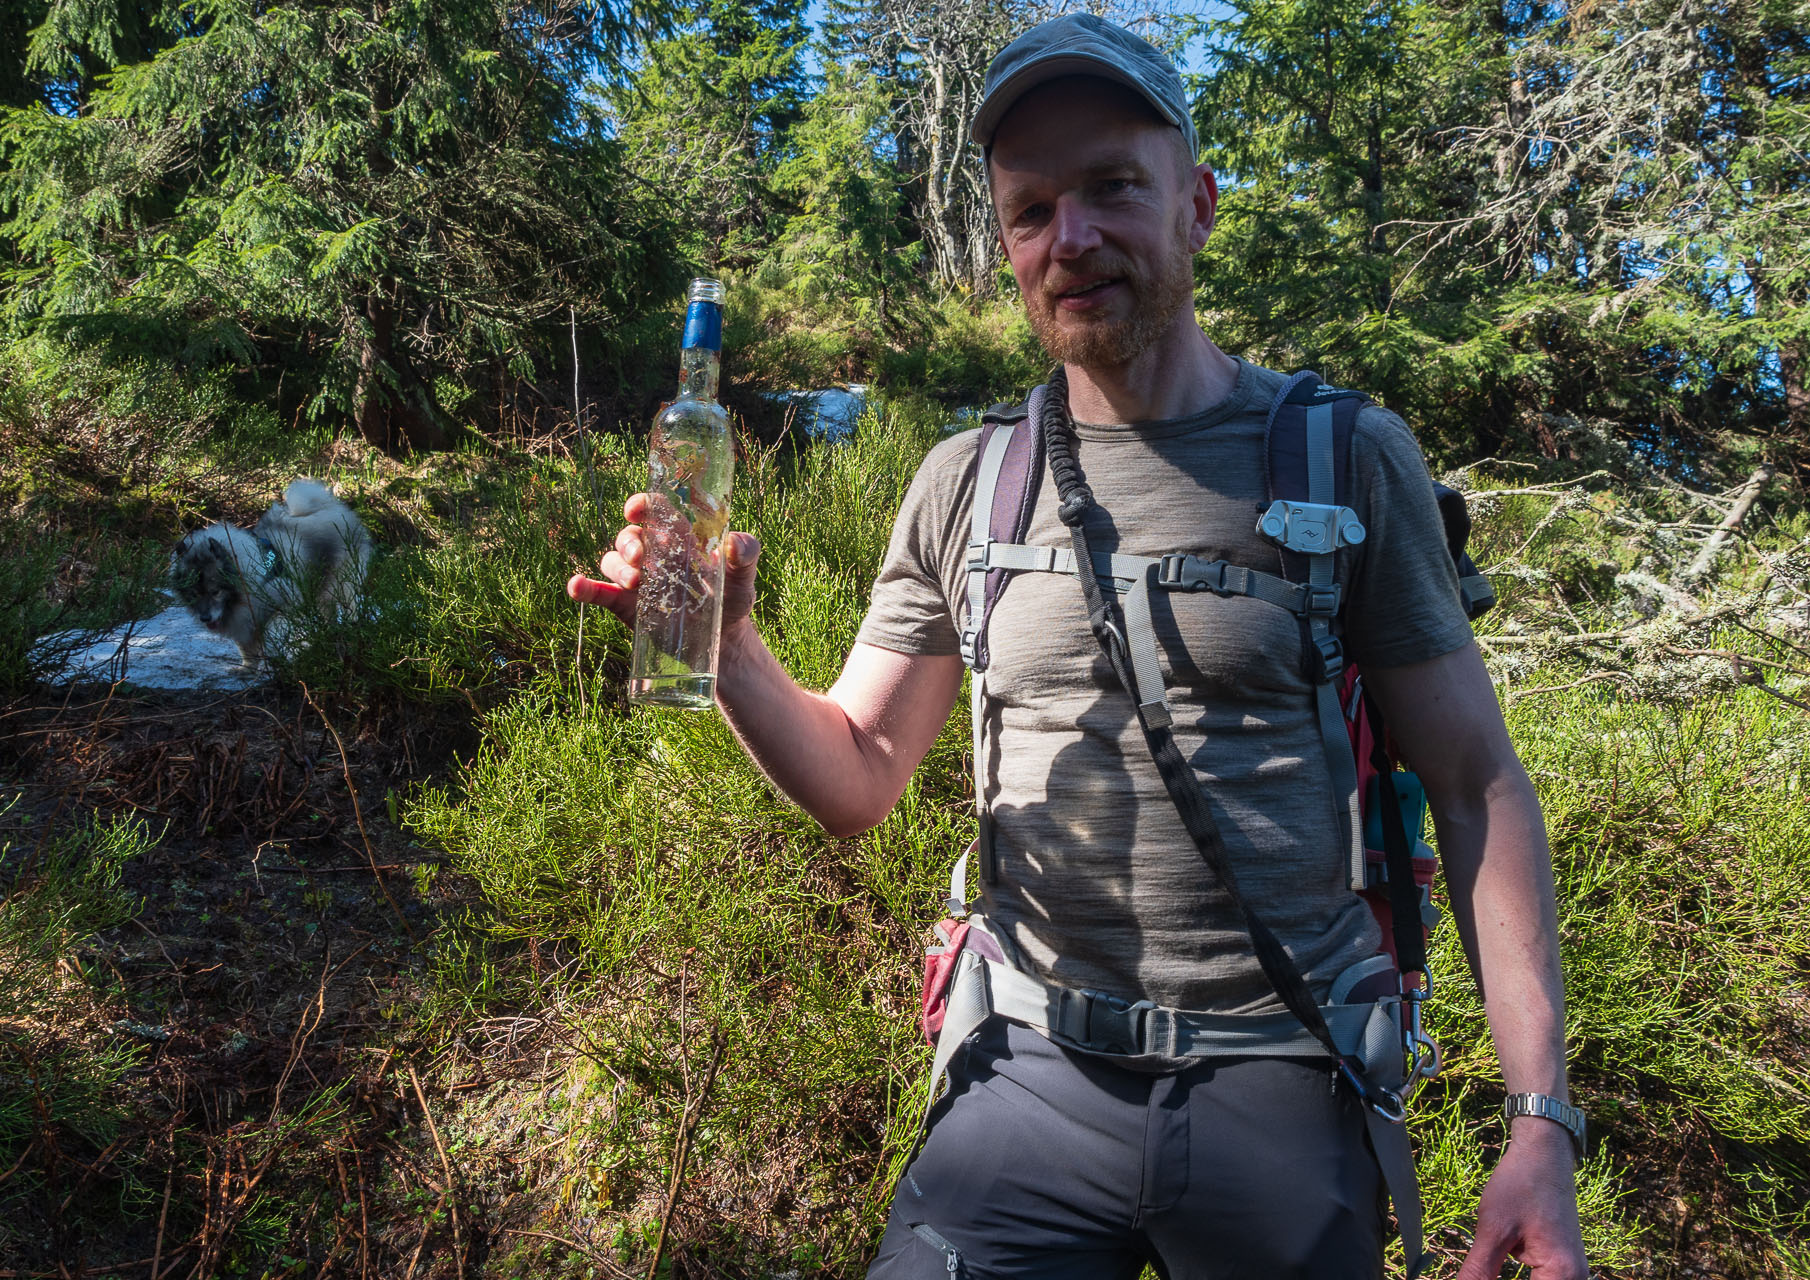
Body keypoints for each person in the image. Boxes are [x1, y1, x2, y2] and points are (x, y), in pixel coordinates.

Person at [570, 14, 1588, 1279]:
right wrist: (728, 645)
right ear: (1008, 243)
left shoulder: (1343, 456)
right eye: (1032, 209)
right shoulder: (966, 482)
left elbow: (1477, 782)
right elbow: (858, 770)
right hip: (1027, 1081)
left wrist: (1538, 1119)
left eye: (1113, 187)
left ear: (1200, 203)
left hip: (1281, 1072)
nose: (1074, 237)